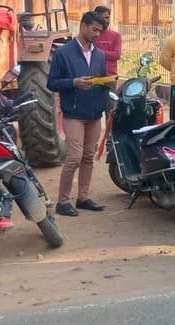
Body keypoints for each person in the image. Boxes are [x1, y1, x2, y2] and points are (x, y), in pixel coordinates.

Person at [48, 11, 110, 216]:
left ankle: (83, 198)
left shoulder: (99, 55)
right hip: (74, 114)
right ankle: (63, 201)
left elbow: (102, 81)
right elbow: (52, 83)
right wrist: (74, 82)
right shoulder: (62, 53)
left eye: (99, 31)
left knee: (88, 157)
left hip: (94, 113)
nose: (97, 34)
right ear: (83, 26)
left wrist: (108, 92)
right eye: (94, 30)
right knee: (74, 157)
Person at [93, 6, 121, 76]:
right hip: (94, 76)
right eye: (101, 18)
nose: (105, 20)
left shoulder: (116, 35)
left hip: (111, 76)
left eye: (107, 17)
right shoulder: (92, 35)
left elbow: (117, 55)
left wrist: (98, 52)